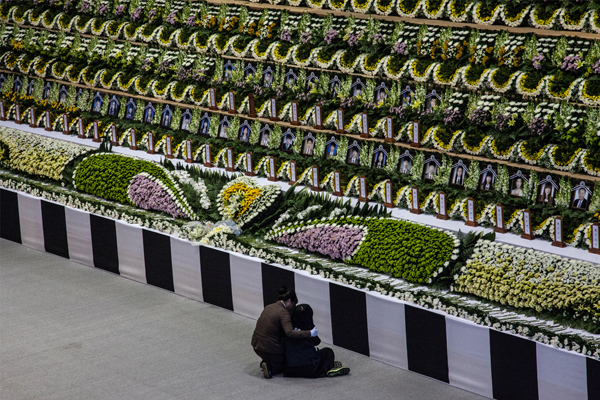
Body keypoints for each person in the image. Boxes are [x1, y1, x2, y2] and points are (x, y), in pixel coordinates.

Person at [251, 287, 318, 379]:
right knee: (290, 358)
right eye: (294, 304)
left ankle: (268, 360)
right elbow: (289, 333)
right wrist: (310, 333)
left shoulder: (269, 307)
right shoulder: (283, 313)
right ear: (290, 301)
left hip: (256, 345)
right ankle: (271, 367)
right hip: (269, 349)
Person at [283, 304, 349, 378]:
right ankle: (329, 368)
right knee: (328, 352)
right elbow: (317, 342)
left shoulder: (288, 329)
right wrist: (311, 327)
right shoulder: (309, 330)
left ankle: (329, 366)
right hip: (309, 367)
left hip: (291, 368)